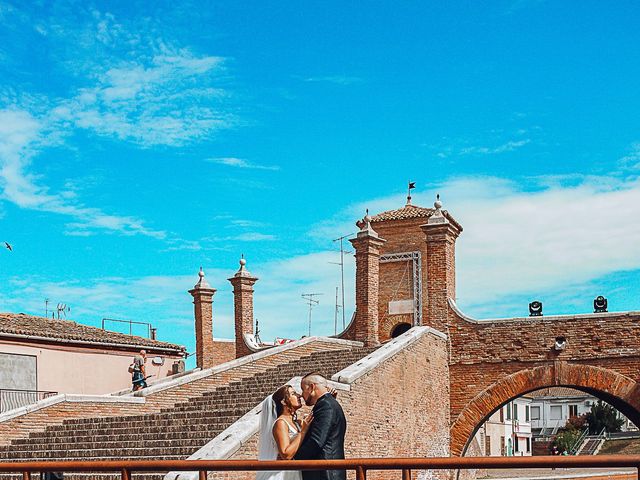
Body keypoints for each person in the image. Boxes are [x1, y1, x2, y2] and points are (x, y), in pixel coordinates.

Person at [294, 373, 347, 480]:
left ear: (312, 387)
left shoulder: (325, 406)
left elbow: (316, 441)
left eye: (303, 389)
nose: (302, 394)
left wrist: (295, 459)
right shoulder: (328, 403)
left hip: (325, 473)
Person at [256, 385, 313, 480]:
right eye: (293, 394)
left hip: (294, 473)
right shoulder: (281, 423)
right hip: (281, 475)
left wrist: (329, 398)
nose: (299, 396)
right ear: (283, 401)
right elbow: (286, 454)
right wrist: (302, 432)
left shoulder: (298, 423)